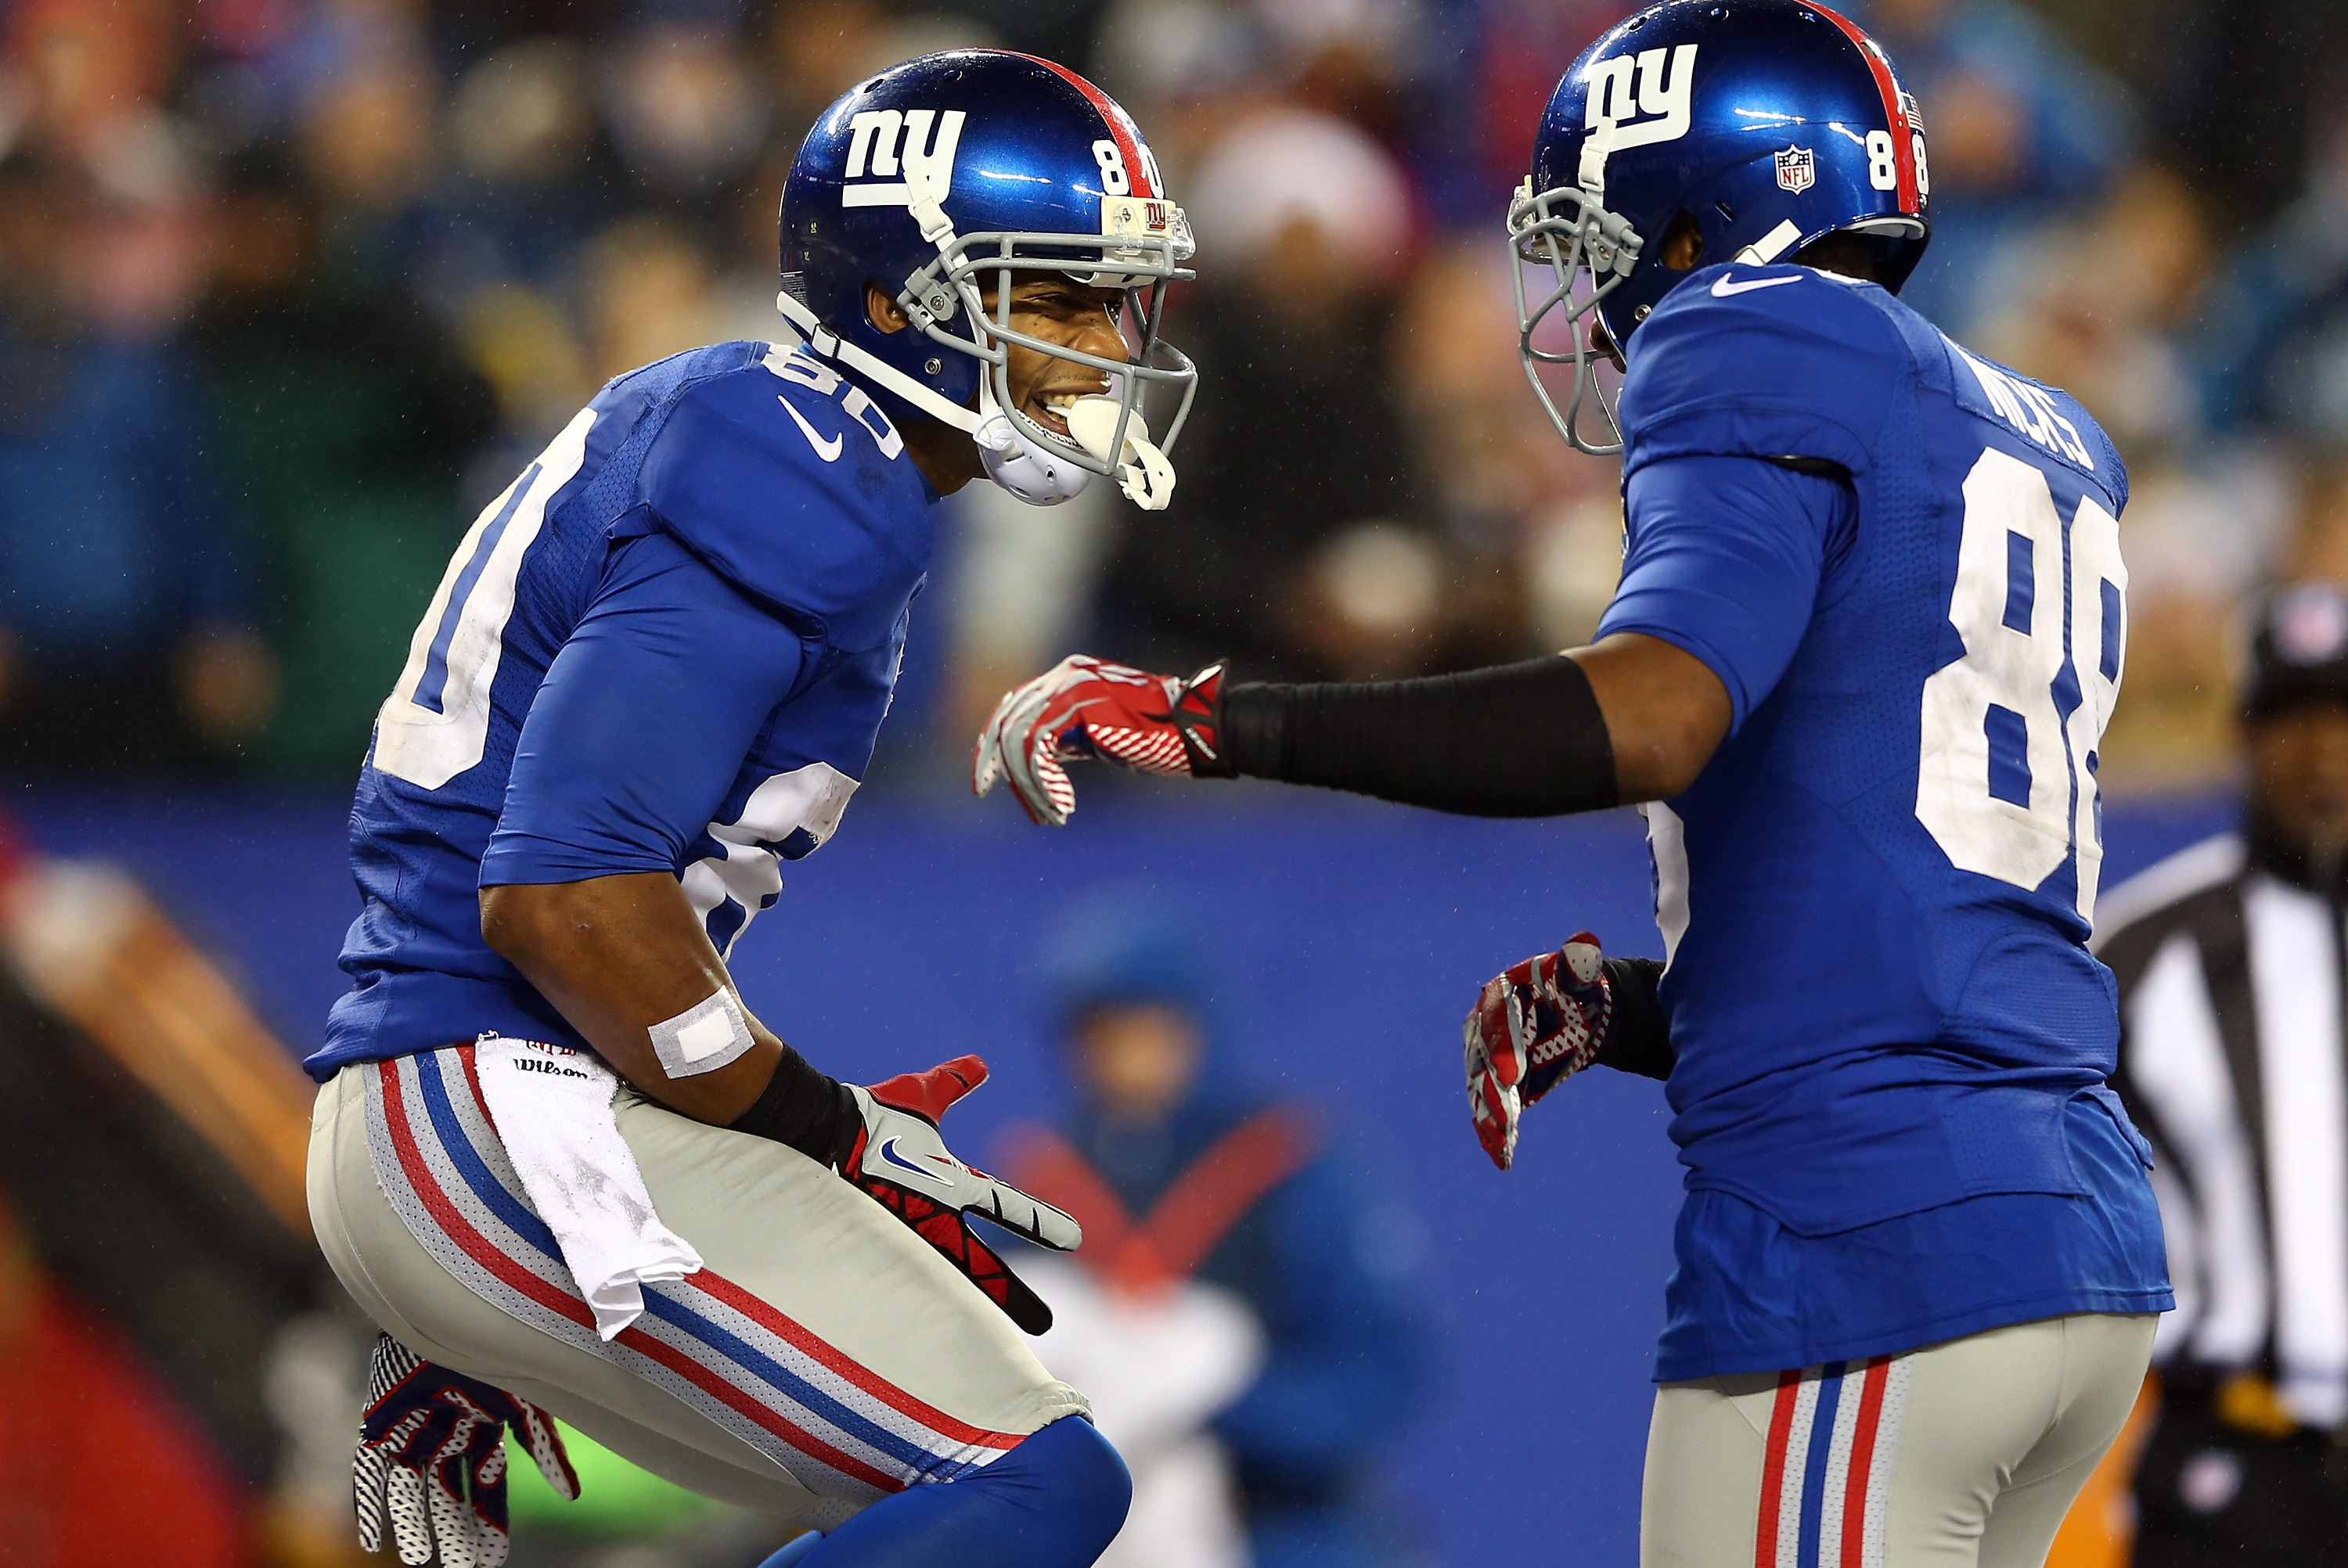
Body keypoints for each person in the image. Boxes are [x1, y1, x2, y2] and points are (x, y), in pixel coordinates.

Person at [971, 4, 2171, 1564]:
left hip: (1873, 1242)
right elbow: (1936, 902)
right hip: (2068, 1238)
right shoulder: (2041, 431)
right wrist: (1642, 1008)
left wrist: (1222, 719)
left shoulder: (1758, 327)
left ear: (1707, 213)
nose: (1597, 295)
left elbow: (1654, 716)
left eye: (1607, 234)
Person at [302, 50, 1199, 1568]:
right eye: (1054, 298)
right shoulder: (806, 465)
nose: (1103, 346)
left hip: (472, 1103)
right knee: (1033, 1479)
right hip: (489, 1099)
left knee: (952, 1495)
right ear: (908, 299)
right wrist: (807, 1119)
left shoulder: (779, 443)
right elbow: (567, 899)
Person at [1002, 905, 1425, 1568]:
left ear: (1196, 1029)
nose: (1124, 1059)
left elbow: (1380, 1367)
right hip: (1101, 1521)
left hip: (1276, 1521)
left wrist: (1219, 1411)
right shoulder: (1037, 1178)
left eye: (1147, 1031)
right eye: (1100, 1036)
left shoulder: (1291, 1162)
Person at [2097, 581, 2348, 1567]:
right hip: (2232, 1462)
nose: (2323, 750)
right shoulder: (2144, 949)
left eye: (2343, 718)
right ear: (2241, 737)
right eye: (2292, 720)